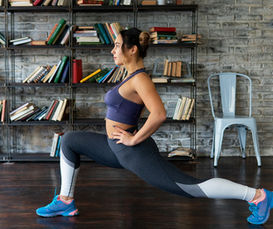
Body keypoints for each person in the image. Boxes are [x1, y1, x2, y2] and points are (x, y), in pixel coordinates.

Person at [36, 28, 273, 225]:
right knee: (70, 141)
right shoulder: (128, 76)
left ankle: (258, 196)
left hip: (130, 151)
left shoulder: (140, 78)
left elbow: (159, 114)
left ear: (132, 49)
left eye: (117, 45)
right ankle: (65, 201)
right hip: (115, 147)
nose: (113, 50)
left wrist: (134, 139)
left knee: (188, 187)